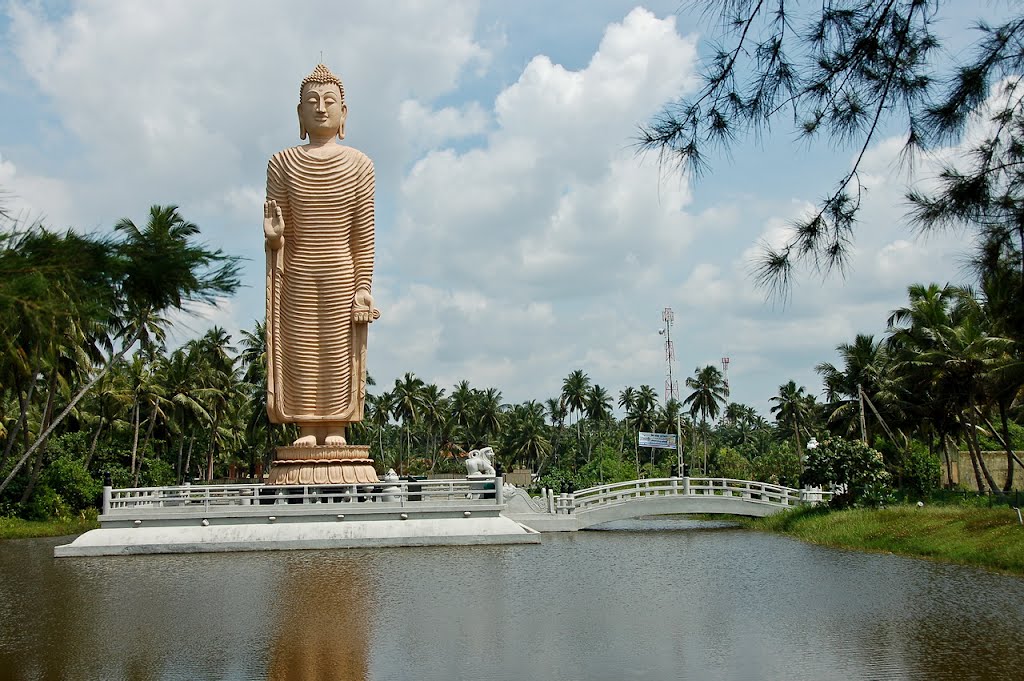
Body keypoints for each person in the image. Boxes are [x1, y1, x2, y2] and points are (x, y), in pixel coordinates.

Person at [264, 63, 377, 447]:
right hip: (298, 270)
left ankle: (336, 427)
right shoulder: (282, 163)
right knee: (302, 348)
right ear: (299, 113)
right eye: (311, 101)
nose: (321, 108)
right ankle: (307, 426)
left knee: (336, 349)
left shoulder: (360, 165)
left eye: (330, 101)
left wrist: (363, 287)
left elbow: (363, 235)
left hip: (341, 271)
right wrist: (275, 239)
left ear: (344, 113)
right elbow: (282, 229)